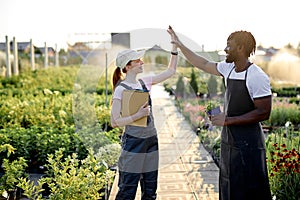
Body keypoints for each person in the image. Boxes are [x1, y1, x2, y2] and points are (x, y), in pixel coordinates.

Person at [168, 27, 272, 200]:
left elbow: (263, 112)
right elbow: (202, 63)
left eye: (229, 46)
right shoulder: (229, 68)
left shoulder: (256, 76)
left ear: (240, 48)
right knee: (229, 185)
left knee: (250, 188)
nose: (225, 50)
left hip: (249, 143)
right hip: (229, 140)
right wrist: (180, 45)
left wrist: (228, 119)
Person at [110, 26, 178, 200]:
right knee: (127, 190)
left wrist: (174, 46)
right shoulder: (120, 89)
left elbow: (170, 71)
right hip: (133, 144)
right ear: (128, 66)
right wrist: (136, 116)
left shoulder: (144, 82)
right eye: (138, 60)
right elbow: (114, 121)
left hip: (151, 141)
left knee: (150, 190)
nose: (142, 62)